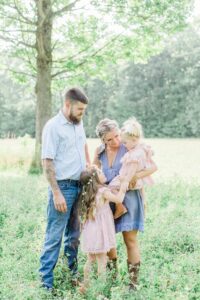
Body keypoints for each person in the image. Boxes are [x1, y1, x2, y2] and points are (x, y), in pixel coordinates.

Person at [94, 118, 157, 289]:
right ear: (102, 140)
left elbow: (151, 168)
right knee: (108, 240)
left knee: (130, 239)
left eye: (116, 136)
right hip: (109, 200)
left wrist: (135, 177)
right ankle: (113, 278)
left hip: (130, 198)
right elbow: (94, 174)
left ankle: (133, 283)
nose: (115, 141)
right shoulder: (99, 152)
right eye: (109, 139)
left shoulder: (130, 146)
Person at [39, 87, 90, 290]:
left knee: (74, 236)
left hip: (80, 186)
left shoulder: (78, 123)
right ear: (67, 105)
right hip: (63, 188)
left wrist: (88, 163)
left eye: (84, 110)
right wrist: (56, 193)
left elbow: (83, 144)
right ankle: (46, 284)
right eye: (79, 109)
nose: (82, 113)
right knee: (54, 237)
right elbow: (47, 162)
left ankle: (72, 275)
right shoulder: (53, 127)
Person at [78, 166, 128, 293]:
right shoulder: (103, 191)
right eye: (100, 172)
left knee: (90, 259)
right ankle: (101, 289)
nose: (102, 172)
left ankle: (86, 285)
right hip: (101, 231)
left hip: (90, 231)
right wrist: (123, 186)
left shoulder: (88, 192)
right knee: (102, 260)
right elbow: (118, 199)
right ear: (95, 178)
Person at [109, 117, 155, 219]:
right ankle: (141, 202)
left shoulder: (135, 154)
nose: (124, 145)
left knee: (111, 187)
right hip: (135, 181)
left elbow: (133, 169)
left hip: (128, 179)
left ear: (134, 140)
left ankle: (119, 206)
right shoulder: (141, 149)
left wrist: (125, 180)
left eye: (125, 143)